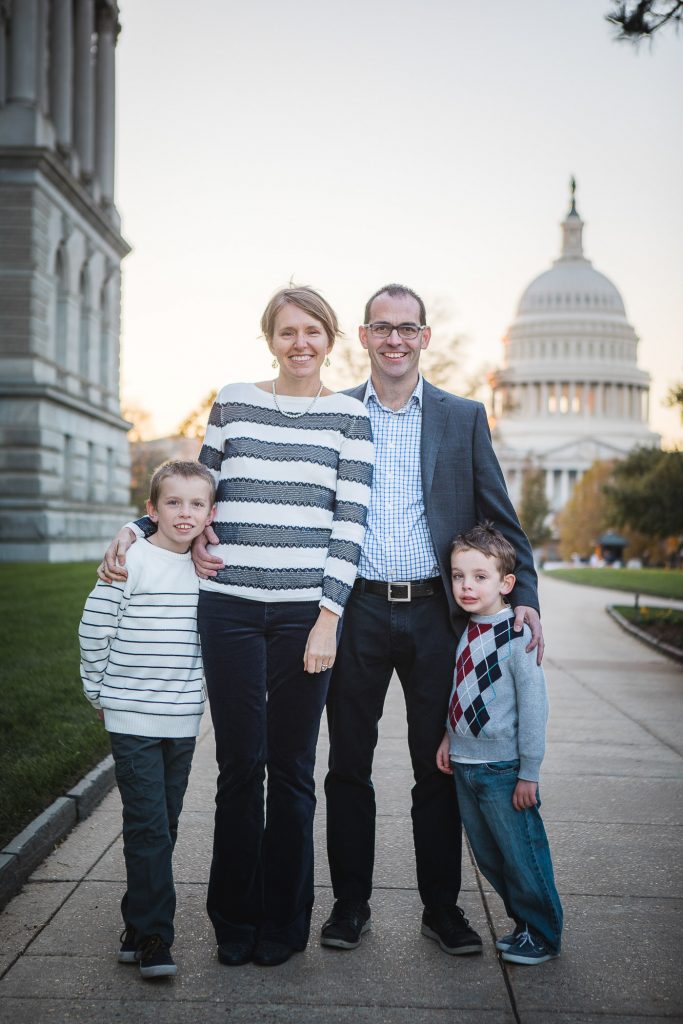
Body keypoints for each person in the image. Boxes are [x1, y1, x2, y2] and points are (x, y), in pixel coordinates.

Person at [98, 286, 374, 968]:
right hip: (228, 611)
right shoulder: (234, 401)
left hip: (303, 615)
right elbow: (194, 490)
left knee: (291, 770)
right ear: (270, 338)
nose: (299, 342)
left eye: (312, 330)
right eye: (287, 331)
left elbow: (350, 524)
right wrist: (136, 528)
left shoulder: (349, 417)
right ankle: (233, 919)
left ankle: (283, 920)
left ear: (329, 339)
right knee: (238, 765)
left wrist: (327, 618)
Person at [317, 284, 544, 956]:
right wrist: (149, 524)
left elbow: (499, 516)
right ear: (363, 336)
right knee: (347, 766)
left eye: (406, 328)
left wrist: (522, 589)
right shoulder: (331, 414)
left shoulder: (461, 415)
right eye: (381, 328)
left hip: (434, 615)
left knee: (436, 768)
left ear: (424, 337)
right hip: (353, 608)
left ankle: (441, 909)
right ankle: (348, 906)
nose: (394, 339)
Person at [79, 460, 217, 979]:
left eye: (196, 504)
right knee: (149, 827)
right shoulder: (128, 561)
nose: (185, 513)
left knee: (164, 824)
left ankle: (136, 926)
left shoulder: (206, 567)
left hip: (181, 720)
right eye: (173, 503)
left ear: (209, 512)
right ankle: (156, 937)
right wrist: (99, 691)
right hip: (132, 717)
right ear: (151, 510)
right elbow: (94, 631)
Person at [436, 523, 562, 965]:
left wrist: (530, 770)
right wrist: (449, 738)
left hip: (504, 770)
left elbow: (533, 708)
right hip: (466, 765)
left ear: (507, 583)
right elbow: (461, 689)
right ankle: (524, 927)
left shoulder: (518, 634)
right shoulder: (466, 629)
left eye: (479, 576)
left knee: (522, 854)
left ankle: (543, 933)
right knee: (491, 857)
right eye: (457, 576)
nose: (466, 586)